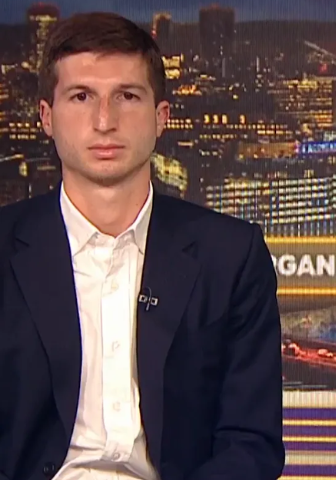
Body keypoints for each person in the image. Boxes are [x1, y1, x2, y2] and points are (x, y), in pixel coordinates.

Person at [0, 12, 284, 480]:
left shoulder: (230, 256)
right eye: (81, 96)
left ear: (161, 117)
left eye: (127, 96)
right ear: (46, 117)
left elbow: (251, 446)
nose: (104, 121)